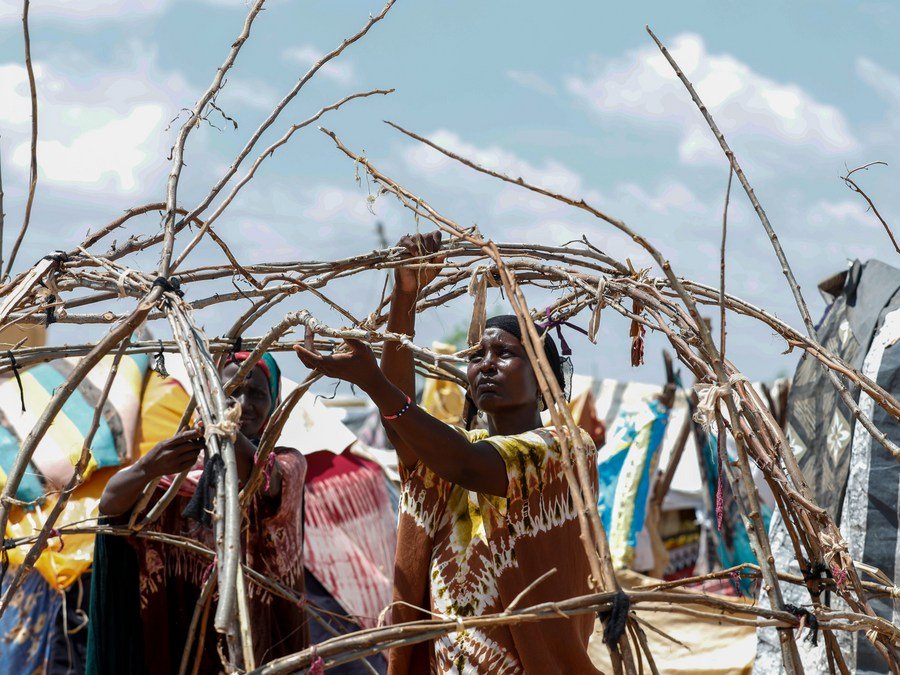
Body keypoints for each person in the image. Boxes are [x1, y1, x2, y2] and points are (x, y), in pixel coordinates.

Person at [294, 231, 601, 674]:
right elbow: (407, 432)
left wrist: (375, 384)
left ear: (543, 377)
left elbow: (467, 464)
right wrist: (405, 297)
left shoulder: (566, 448)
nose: (487, 363)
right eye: (477, 355)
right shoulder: (455, 450)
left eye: (505, 353)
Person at [87, 352, 307, 674]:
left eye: (257, 394)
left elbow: (260, 477)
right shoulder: (179, 470)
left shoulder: (288, 464)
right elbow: (111, 507)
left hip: (260, 648)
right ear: (210, 394)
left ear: (274, 403)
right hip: (180, 649)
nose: (243, 404)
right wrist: (149, 467)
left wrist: (223, 433)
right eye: (231, 391)